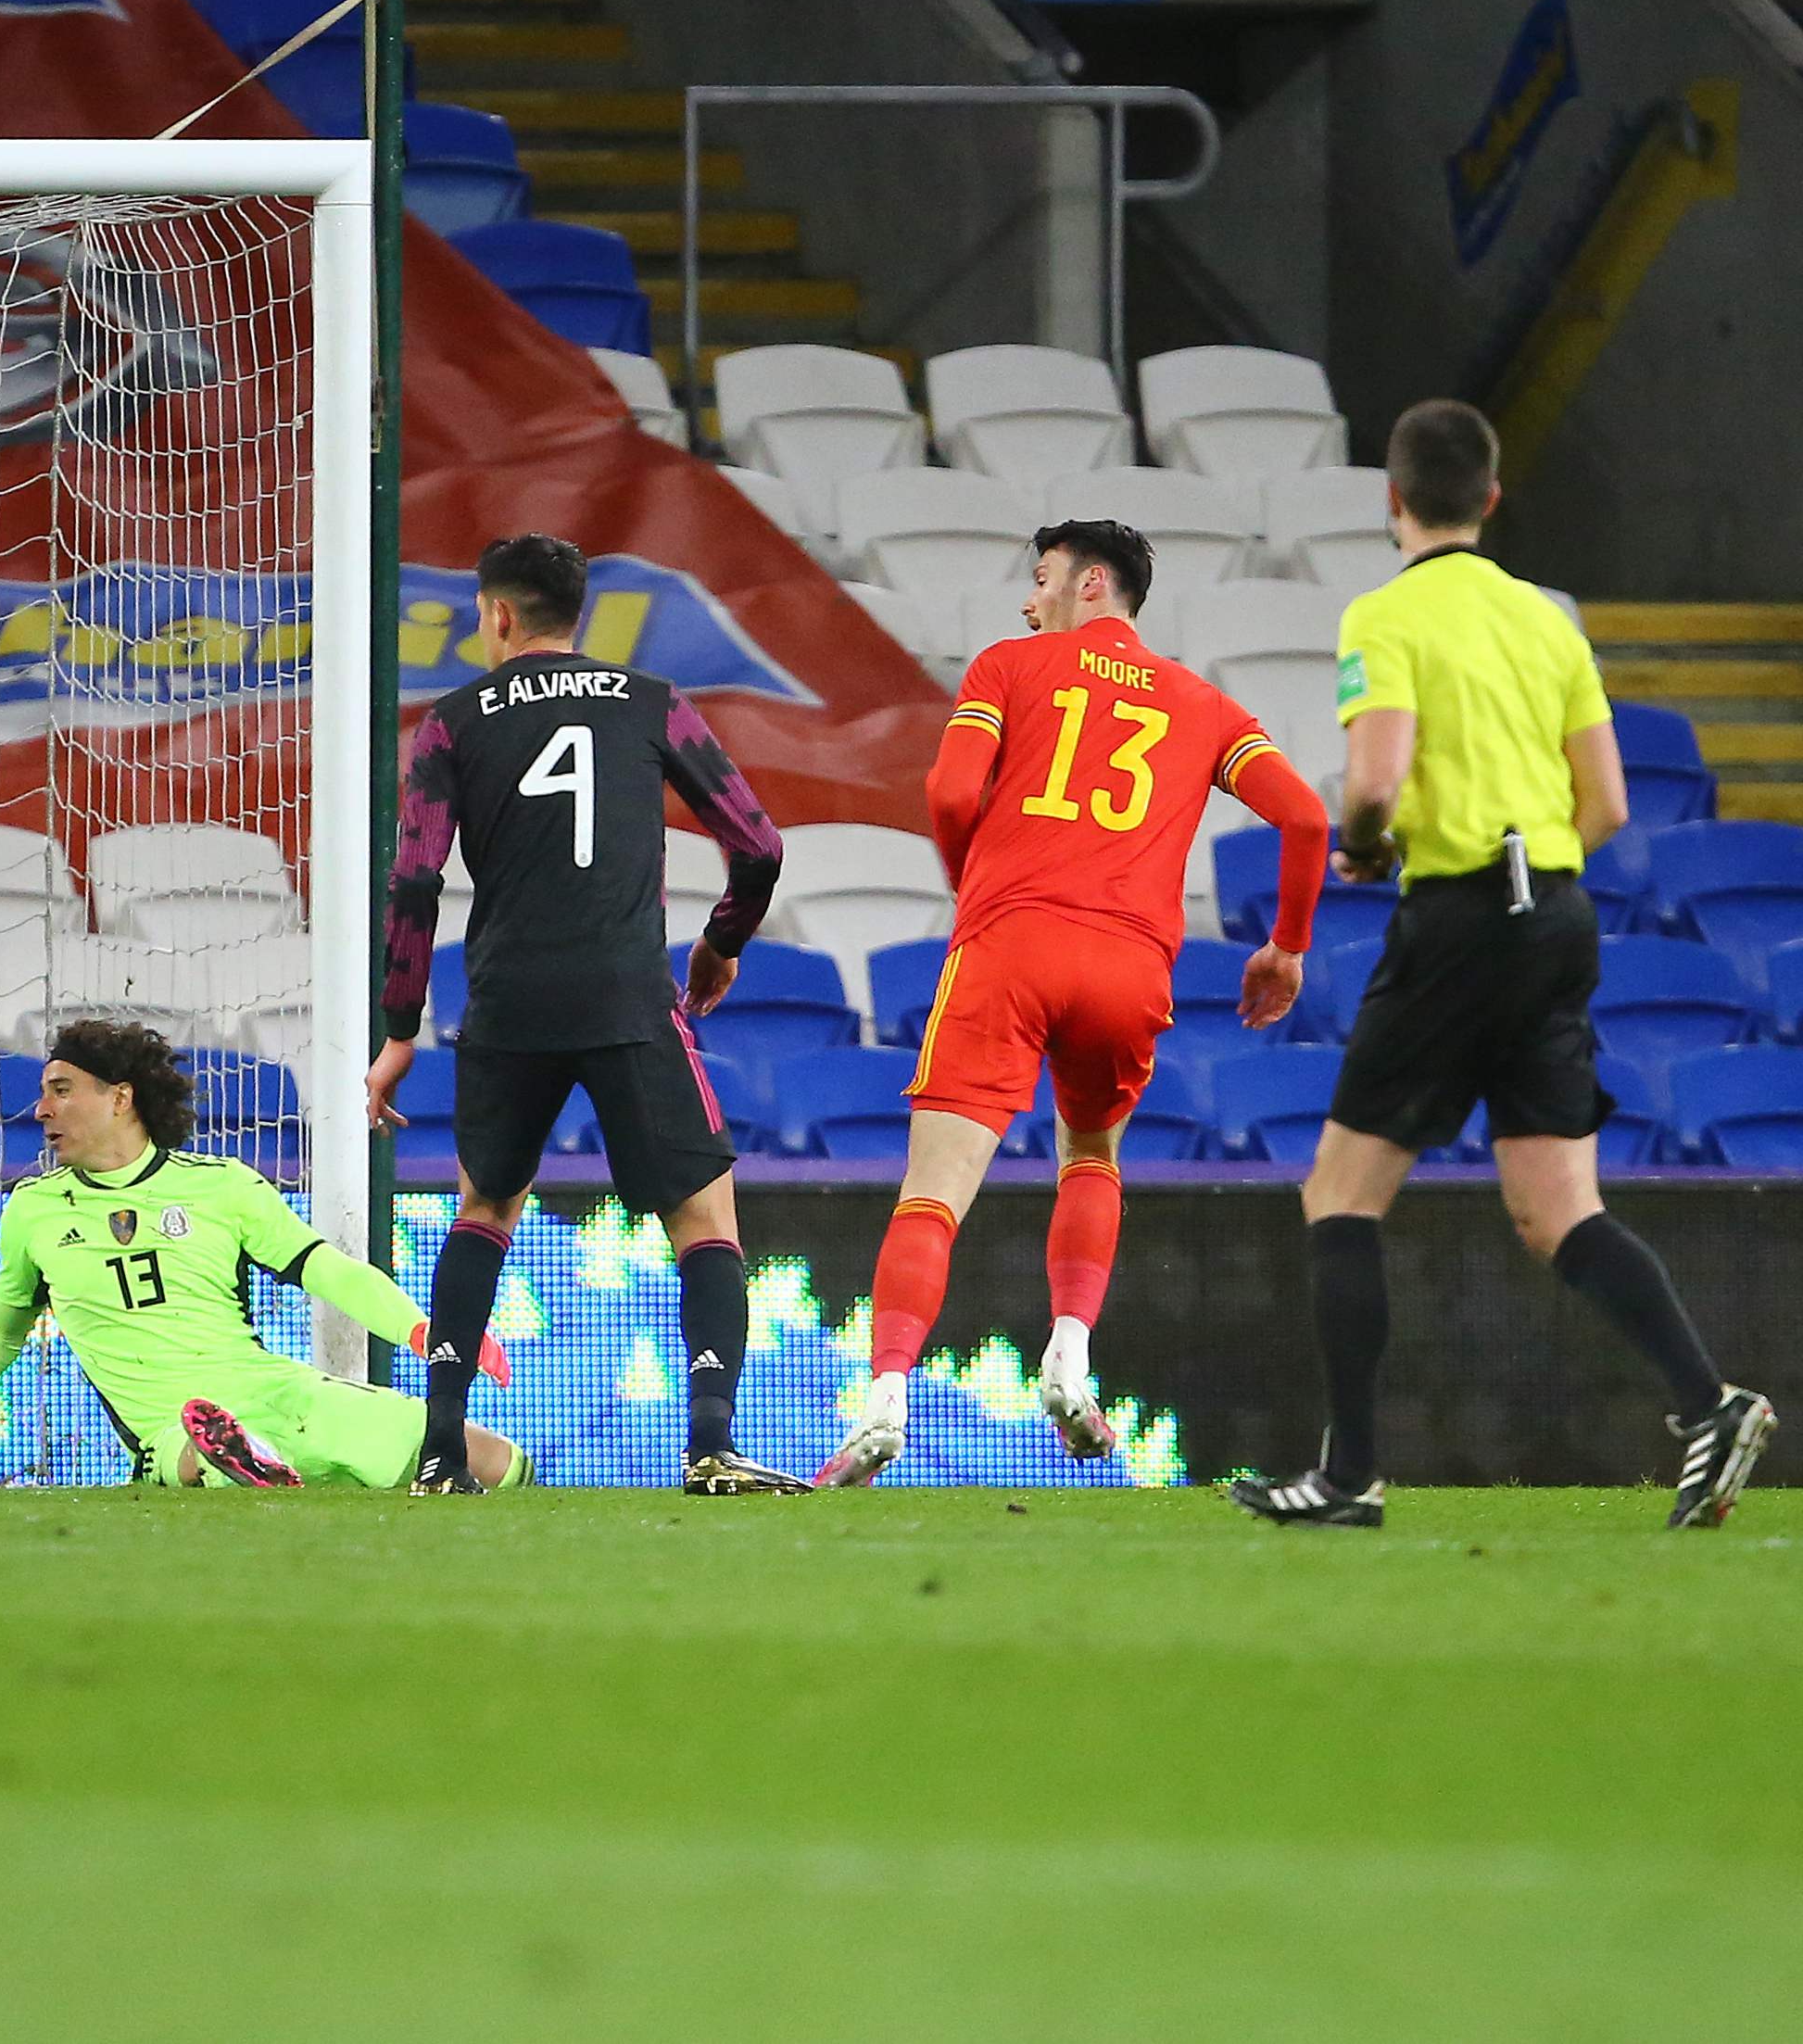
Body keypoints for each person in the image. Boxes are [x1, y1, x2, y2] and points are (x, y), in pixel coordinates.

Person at [1231, 402, 1773, 1529]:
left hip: (1459, 916)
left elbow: (1372, 785)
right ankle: (1708, 1404)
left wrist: (1371, 848)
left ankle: (1349, 1476)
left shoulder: (1384, 616)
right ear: (1489, 498)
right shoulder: (1547, 622)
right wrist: (1537, 871)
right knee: (1555, 1209)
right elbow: (1608, 802)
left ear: (1391, 501)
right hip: (1558, 917)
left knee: (1339, 1192)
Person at [816, 521, 1326, 1486]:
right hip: (1128, 966)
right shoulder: (1205, 704)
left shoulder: (1008, 667)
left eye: (1041, 577)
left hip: (1010, 944)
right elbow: (1305, 816)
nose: (1028, 599)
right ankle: (1069, 1356)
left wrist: (975, 887)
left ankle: (884, 1398)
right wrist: (1286, 947)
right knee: (1090, 1155)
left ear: (1091, 584)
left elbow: (949, 793)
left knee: (932, 1193)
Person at [367, 533, 803, 1496]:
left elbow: (415, 878)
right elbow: (759, 845)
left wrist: (399, 1028)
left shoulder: (449, 723)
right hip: (625, 993)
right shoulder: (651, 702)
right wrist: (721, 940)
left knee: (485, 1210)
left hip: (508, 1000)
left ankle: (441, 1454)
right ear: (579, 614)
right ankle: (709, 1446)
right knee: (703, 1220)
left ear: (497, 615)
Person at [0, 1020, 527, 1493]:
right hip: (169, 1424)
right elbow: (0, 1335)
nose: (42, 1111)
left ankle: (260, 1455)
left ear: (120, 1098)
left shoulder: (222, 1186)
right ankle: (234, 1457)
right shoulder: (35, 1210)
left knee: (493, 1461)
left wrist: (424, 1332)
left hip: (278, 1391)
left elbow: (327, 1268)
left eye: (61, 1091)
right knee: (193, 1457)